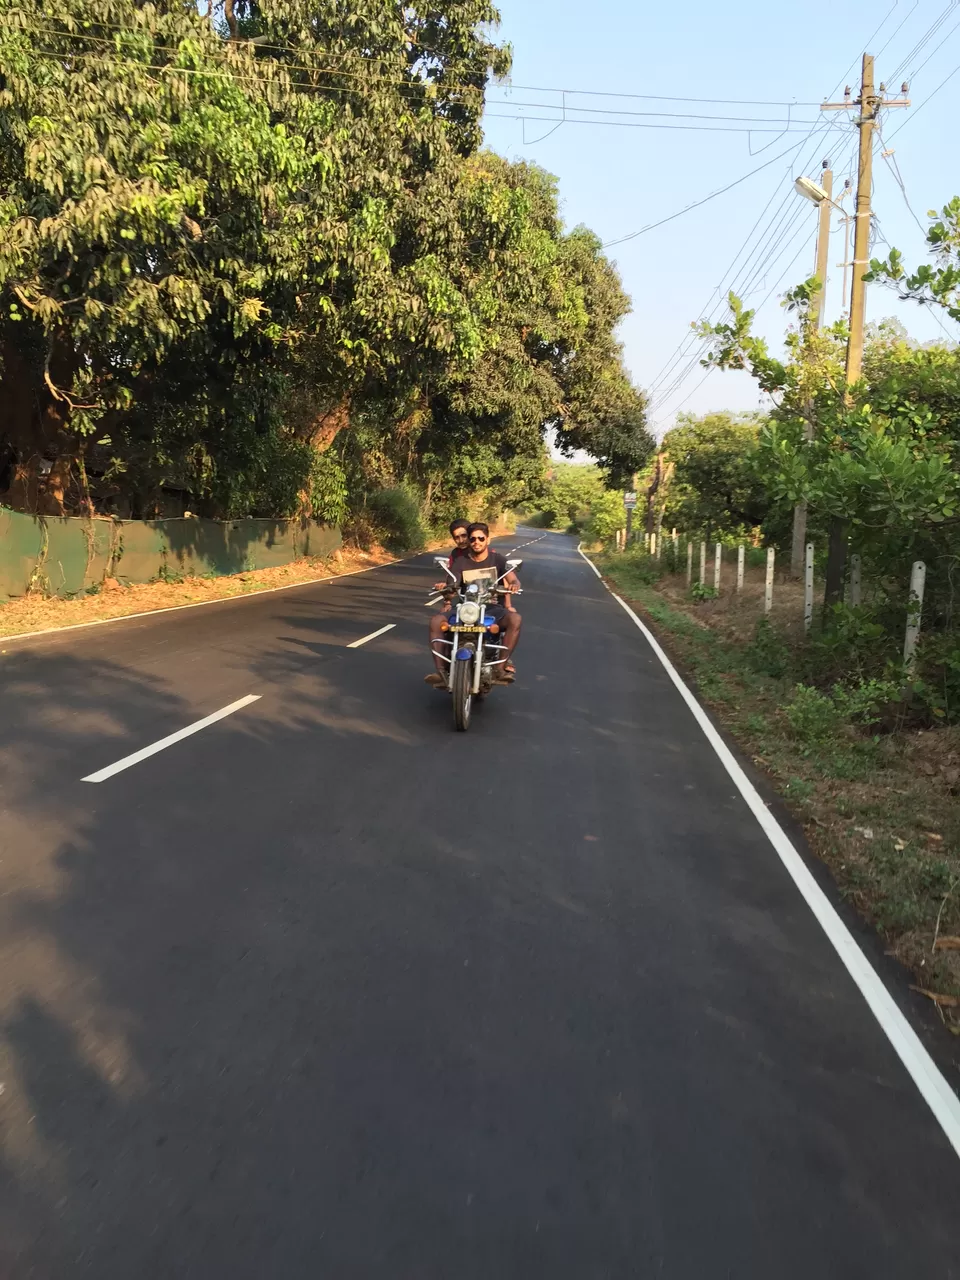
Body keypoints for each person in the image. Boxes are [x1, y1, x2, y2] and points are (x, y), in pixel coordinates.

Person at [426, 522, 522, 686]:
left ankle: (500, 668)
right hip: (466, 608)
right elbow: (452, 585)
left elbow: (513, 578)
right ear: (469, 541)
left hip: (492, 609)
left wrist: (514, 585)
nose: (476, 542)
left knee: (515, 619)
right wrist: (445, 588)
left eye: (480, 538)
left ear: (487, 540)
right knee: (436, 621)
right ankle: (441, 671)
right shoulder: (460, 562)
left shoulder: (497, 559)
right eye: (473, 539)